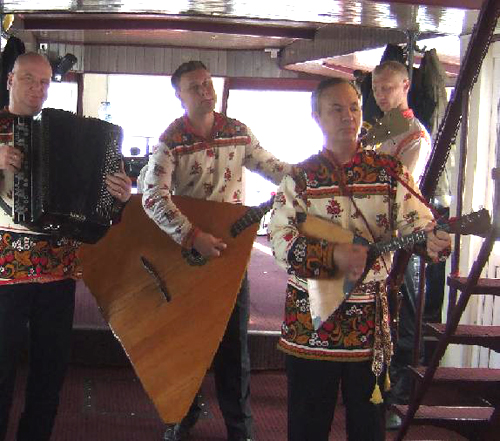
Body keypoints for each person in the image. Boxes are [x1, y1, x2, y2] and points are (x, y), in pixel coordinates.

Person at [268, 77, 451, 441]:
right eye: (336, 109)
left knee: (368, 425)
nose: (348, 116)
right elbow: (279, 240)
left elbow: (417, 223)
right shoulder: (301, 178)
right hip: (311, 323)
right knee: (307, 424)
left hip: (368, 323)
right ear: (317, 116)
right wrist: (332, 255)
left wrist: (432, 240)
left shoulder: (389, 172)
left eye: (354, 107)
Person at [140, 60, 293, 441]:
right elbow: (152, 196)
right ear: (180, 96)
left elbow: (274, 167)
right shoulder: (171, 139)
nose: (205, 91)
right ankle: (182, 413)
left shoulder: (238, 132)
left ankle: (241, 429)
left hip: (230, 255)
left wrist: (314, 176)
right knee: (185, 342)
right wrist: (192, 236)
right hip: (187, 255)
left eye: (208, 83)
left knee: (234, 346)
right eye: (195, 86)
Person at [0, 52, 132, 441]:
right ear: (10, 80)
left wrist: (117, 197)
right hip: (4, 273)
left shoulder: (63, 129)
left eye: (44, 82)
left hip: (58, 270)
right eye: (28, 78)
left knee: (50, 372)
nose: (37, 88)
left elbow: (97, 210)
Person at [371, 60, 433, 428]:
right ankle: (377, 387)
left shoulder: (414, 135)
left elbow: (400, 188)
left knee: (403, 315)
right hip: (374, 230)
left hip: (402, 233)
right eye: (376, 88)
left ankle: (400, 398)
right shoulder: (380, 128)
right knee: (379, 312)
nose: (381, 95)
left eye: (388, 88)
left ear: (405, 86)